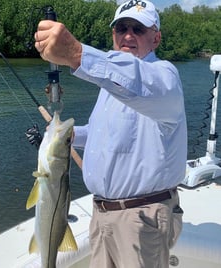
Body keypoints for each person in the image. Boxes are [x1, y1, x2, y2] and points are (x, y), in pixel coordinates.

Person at [34, 1, 187, 267]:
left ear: (156, 37)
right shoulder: (110, 87)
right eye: (121, 28)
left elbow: (138, 80)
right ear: (113, 34)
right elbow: (100, 133)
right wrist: (65, 137)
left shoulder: (164, 76)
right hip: (101, 215)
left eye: (138, 29)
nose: (128, 35)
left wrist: (76, 53)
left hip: (141, 219)